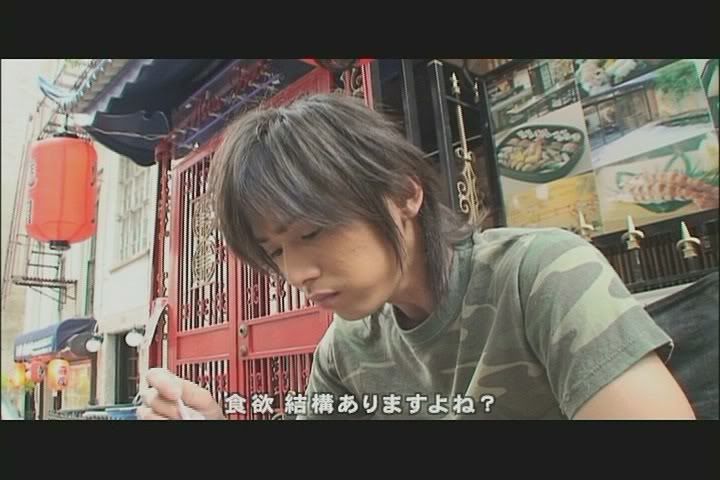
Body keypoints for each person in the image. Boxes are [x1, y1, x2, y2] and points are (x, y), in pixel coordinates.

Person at [138, 93, 695, 420]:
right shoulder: (344, 351)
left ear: (405, 194)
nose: (297, 272)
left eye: (312, 231)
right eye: (276, 251)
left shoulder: (541, 276)